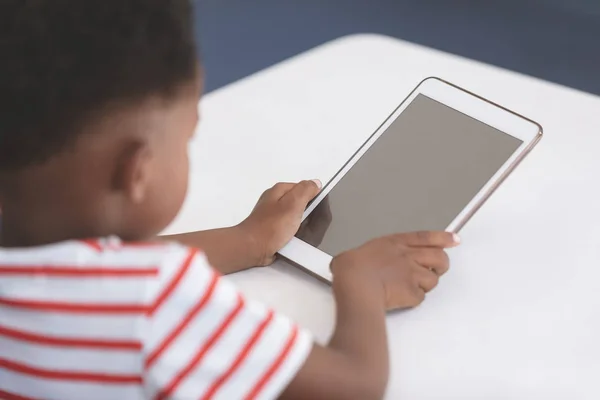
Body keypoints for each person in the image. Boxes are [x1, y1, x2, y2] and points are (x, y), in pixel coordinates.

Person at [0, 1, 460, 399]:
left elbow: (91, 269)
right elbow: (351, 387)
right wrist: (362, 284)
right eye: (187, 137)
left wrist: (246, 240)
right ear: (137, 172)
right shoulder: (154, 304)